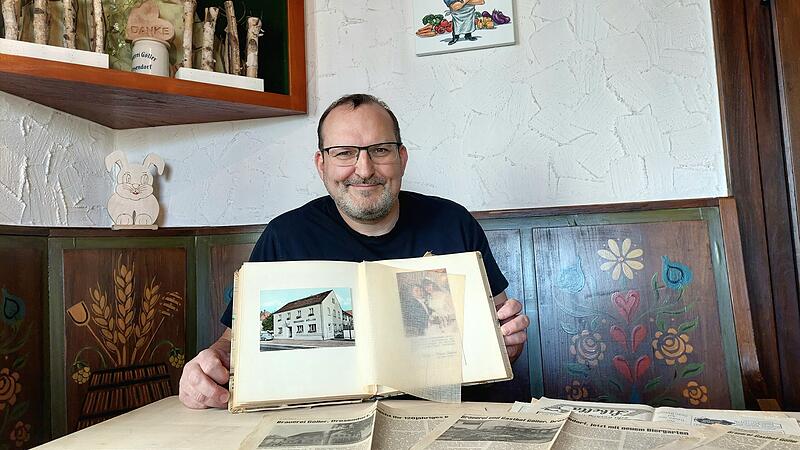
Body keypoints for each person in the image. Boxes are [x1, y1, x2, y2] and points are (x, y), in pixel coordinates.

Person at [179, 93, 530, 409]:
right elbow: (233, 345)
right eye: (344, 153)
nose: (364, 170)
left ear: (401, 158)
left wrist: (507, 346)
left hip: (445, 416)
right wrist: (210, 367)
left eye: (380, 150)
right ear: (322, 165)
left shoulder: (453, 222)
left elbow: (499, 334)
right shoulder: (285, 236)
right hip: (322, 426)